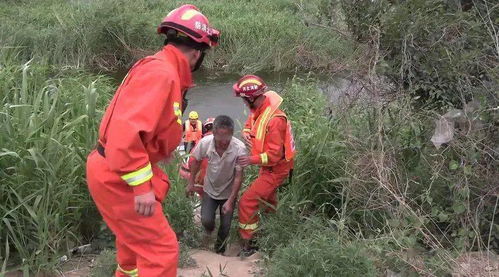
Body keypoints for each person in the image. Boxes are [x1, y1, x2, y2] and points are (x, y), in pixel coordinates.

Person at [85, 5, 220, 277]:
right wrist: (141, 189)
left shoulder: (161, 68)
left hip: (117, 169)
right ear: (196, 54)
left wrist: (160, 147)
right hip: (120, 175)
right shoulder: (162, 74)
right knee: (161, 250)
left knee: (133, 248)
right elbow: (124, 135)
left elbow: (143, 123)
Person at [233, 75, 296, 256]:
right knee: (268, 202)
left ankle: (249, 243)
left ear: (251, 97)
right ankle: (273, 232)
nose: (244, 103)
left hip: (275, 169)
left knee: (247, 202)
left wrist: (249, 160)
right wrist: (246, 132)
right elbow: (250, 122)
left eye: (245, 99)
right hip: (267, 167)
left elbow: (274, 156)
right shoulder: (261, 107)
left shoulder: (275, 120)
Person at [187, 115, 247, 254]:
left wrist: (231, 200)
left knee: (225, 226)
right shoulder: (205, 143)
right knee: (206, 220)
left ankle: (219, 251)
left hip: (228, 192)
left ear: (232, 134)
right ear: (213, 133)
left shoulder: (239, 148)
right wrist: (191, 183)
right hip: (209, 190)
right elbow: (195, 160)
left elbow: (239, 176)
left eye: (227, 140)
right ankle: (210, 232)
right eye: (220, 140)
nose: (223, 144)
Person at [178, 117, 215, 198]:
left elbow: (191, 163)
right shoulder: (226, 142)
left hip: (200, 183)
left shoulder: (200, 144)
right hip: (217, 185)